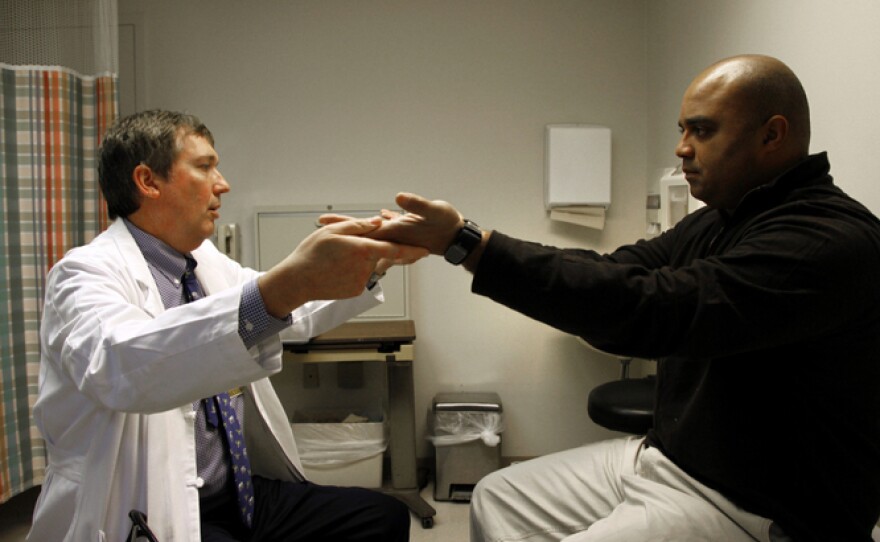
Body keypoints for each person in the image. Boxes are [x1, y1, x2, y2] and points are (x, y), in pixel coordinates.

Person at [331, 55, 880, 541]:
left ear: (772, 135)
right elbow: (615, 271)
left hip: (753, 507)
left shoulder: (824, 243)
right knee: (499, 498)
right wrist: (463, 245)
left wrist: (466, 243)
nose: (681, 148)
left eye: (703, 130)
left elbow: (652, 309)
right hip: (670, 460)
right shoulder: (721, 219)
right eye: (682, 128)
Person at [28, 109, 428, 542]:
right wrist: (287, 282)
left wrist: (371, 261)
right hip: (153, 503)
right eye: (204, 167)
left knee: (381, 517)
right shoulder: (83, 275)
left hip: (239, 497)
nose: (223, 183)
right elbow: (122, 365)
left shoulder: (204, 264)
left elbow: (284, 313)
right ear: (148, 182)